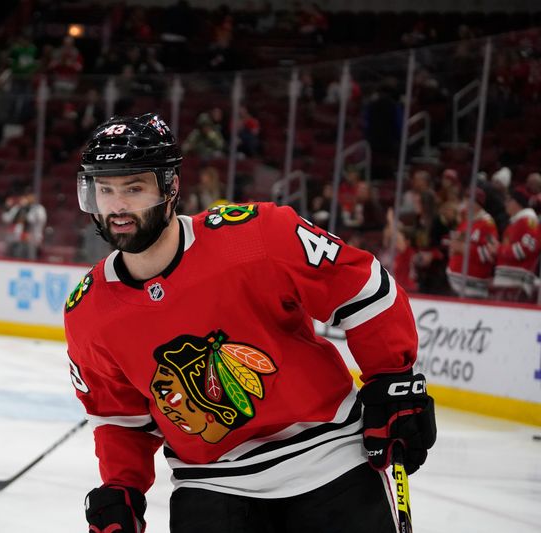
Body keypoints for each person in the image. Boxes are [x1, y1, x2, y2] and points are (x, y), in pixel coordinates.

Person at [65, 114, 436, 533]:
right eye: (105, 190)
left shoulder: (256, 236)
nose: (117, 206)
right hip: (211, 485)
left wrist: (391, 378)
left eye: (134, 188)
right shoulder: (88, 310)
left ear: (170, 187)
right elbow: (118, 417)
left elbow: (363, 288)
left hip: (331, 460)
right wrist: (122, 488)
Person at [492, 187, 541, 302]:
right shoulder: (515, 222)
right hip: (508, 283)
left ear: (517, 203)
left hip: (516, 284)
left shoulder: (529, 222)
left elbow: (524, 251)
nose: (506, 203)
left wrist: (498, 249)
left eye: (509, 200)